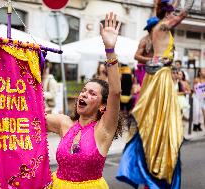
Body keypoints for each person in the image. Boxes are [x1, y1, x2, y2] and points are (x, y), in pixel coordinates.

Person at [116, 0, 194, 188]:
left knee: (157, 121)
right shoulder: (163, 26)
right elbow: (183, 12)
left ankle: (154, 162)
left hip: (157, 76)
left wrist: (153, 59)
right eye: (171, 11)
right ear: (168, 13)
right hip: (160, 77)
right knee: (161, 122)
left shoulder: (160, 28)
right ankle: (156, 165)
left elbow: (170, 7)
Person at [46, 12, 121, 189]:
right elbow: (30, 118)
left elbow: (116, 92)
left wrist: (110, 49)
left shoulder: (104, 130)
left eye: (92, 94)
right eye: (83, 91)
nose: (84, 95)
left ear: (103, 106)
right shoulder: (64, 123)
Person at [134, 16, 159, 86]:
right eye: (157, 26)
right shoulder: (144, 41)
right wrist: (152, 60)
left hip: (155, 70)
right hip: (145, 71)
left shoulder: (159, 40)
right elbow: (136, 56)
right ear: (152, 28)